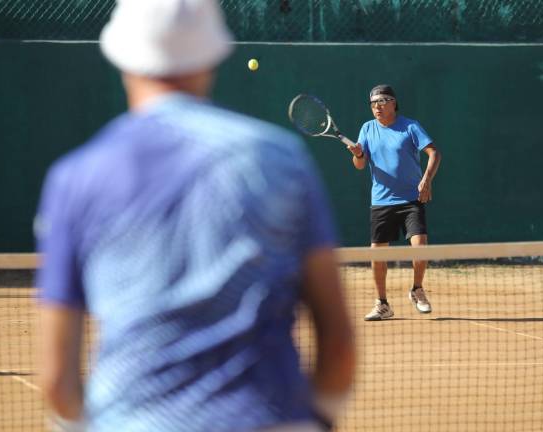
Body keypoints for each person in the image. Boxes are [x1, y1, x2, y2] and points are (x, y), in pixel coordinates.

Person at [35, 1, 355, 431]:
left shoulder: (74, 178)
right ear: (211, 57)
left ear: (121, 55)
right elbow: (338, 347)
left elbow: (57, 381)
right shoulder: (282, 160)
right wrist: (315, 421)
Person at [346, 85, 442, 321]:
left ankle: (417, 289)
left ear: (393, 103)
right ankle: (382, 304)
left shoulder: (410, 126)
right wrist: (358, 154)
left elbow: (434, 153)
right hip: (381, 201)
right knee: (377, 254)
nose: (376, 106)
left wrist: (426, 181)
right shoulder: (367, 128)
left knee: (420, 245)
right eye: (373, 103)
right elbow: (360, 165)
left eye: (382, 101)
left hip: (412, 198)